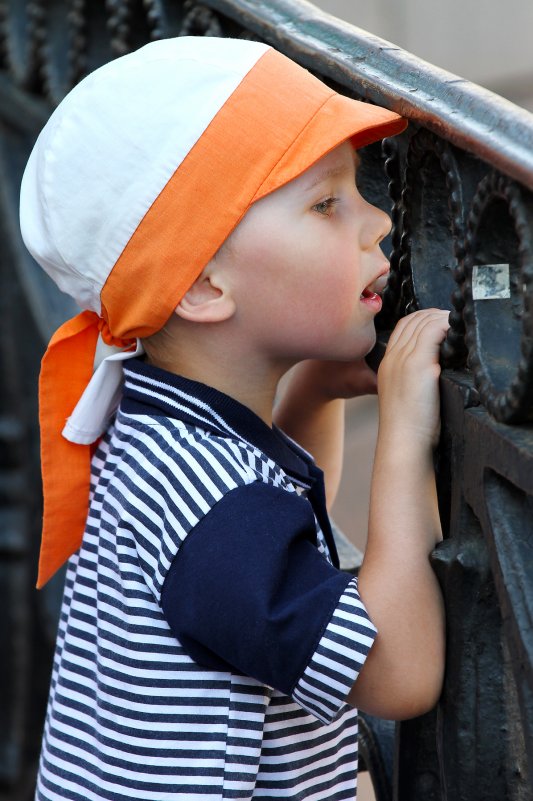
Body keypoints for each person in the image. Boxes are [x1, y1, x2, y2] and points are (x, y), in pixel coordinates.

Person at [20, 35, 447, 801]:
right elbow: (397, 672)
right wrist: (403, 446)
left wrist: (309, 399)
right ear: (204, 286)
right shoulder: (212, 507)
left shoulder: (156, 422)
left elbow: (278, 534)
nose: (377, 221)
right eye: (325, 203)